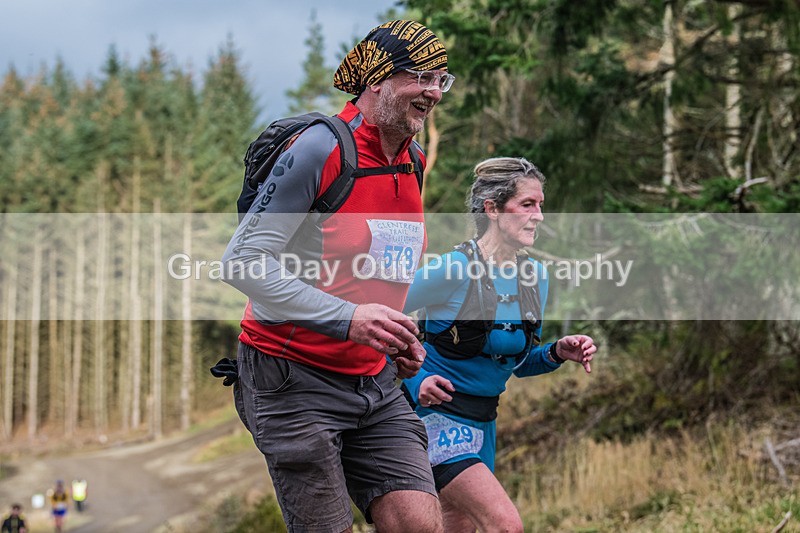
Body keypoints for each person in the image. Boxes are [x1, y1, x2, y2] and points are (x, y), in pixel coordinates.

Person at [220, 20, 454, 533]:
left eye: (442, 79)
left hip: (374, 381)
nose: (434, 91)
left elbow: (379, 270)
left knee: (420, 523)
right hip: (291, 378)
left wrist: (397, 335)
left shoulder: (411, 161)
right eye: (421, 76)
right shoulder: (320, 150)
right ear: (376, 81)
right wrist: (349, 319)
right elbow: (241, 262)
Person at [401, 157, 597, 532]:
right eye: (527, 204)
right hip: (436, 418)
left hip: (484, 422)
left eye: (540, 205)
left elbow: (517, 363)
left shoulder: (534, 276)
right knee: (506, 524)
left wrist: (557, 353)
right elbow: (378, 320)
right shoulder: (452, 268)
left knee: (459, 526)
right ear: (491, 209)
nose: (539, 215)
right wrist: (416, 380)